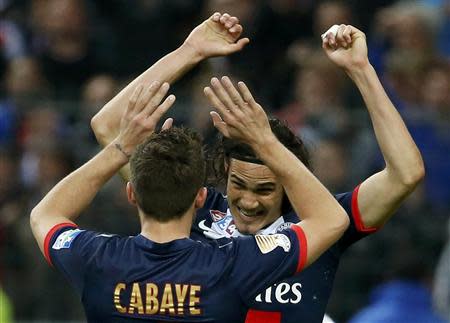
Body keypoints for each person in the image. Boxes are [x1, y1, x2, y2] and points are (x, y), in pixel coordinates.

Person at [92, 16, 425, 323]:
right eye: (240, 185)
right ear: (224, 171)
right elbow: (108, 126)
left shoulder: (320, 224)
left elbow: (406, 174)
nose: (249, 202)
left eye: (264, 189)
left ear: (287, 182)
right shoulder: (194, 209)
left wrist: (361, 71)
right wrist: (189, 53)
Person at [30, 77, 349, 321]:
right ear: (200, 197)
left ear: (131, 193)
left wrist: (121, 149)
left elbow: (45, 214)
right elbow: (331, 219)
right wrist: (264, 141)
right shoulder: (234, 264)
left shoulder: (95, 259)